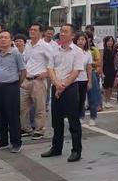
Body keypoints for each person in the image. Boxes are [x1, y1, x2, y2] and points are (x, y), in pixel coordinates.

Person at [41, 24, 83, 160]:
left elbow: (76, 71)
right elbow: (50, 69)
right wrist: (57, 84)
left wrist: (63, 85)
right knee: (56, 120)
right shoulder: (55, 50)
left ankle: (76, 150)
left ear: (72, 35)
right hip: (57, 86)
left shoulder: (77, 51)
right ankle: (56, 147)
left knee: (73, 120)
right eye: (61, 32)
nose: (62, 34)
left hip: (70, 87)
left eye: (65, 32)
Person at [0, 30, 26, 152]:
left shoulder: (16, 53)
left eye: (6, 37)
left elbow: (23, 71)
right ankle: (2, 141)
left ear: (10, 40)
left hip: (12, 87)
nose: (3, 40)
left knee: (13, 115)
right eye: (0, 37)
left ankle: (16, 142)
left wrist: (17, 84)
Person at [20, 23, 51, 140]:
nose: (32, 32)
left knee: (39, 107)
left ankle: (39, 130)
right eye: (31, 29)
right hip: (26, 80)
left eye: (35, 30)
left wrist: (47, 73)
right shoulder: (27, 45)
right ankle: (26, 128)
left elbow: (54, 61)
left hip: (38, 80)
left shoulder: (45, 46)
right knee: (22, 107)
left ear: (41, 32)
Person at [74, 32, 95, 126]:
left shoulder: (88, 53)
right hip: (73, 80)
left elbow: (89, 68)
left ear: (86, 41)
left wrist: (89, 81)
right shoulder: (72, 51)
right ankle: (76, 117)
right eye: (78, 39)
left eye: (82, 39)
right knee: (75, 100)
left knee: (83, 99)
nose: (80, 42)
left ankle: (87, 117)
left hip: (83, 79)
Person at [85, 30, 102, 115]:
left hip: (92, 72)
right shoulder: (78, 50)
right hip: (82, 73)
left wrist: (89, 62)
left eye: (87, 37)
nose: (85, 39)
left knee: (94, 90)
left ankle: (98, 105)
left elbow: (98, 62)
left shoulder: (94, 49)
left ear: (90, 39)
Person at [101, 36, 116, 108]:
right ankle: (105, 101)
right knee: (106, 86)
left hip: (112, 70)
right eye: (108, 41)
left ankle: (108, 100)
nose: (110, 42)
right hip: (105, 70)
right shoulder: (104, 51)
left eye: (111, 41)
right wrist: (101, 72)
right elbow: (102, 62)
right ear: (105, 42)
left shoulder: (113, 50)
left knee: (111, 86)